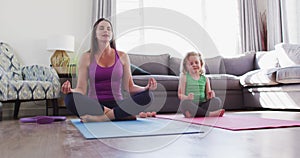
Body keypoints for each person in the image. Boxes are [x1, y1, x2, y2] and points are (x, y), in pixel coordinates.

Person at [61, 18, 157, 122]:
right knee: (69, 99)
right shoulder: (86, 57)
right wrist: (71, 90)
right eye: (101, 28)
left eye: (108, 29)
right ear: (95, 34)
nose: (105, 31)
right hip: (96, 105)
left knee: (149, 96)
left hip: (117, 103)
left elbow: (129, 86)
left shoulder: (122, 56)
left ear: (111, 35)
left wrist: (146, 88)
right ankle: (117, 114)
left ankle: (103, 118)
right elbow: (81, 89)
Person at [178, 52, 225, 118]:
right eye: (191, 63)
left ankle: (195, 113)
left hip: (202, 104)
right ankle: (209, 114)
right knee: (184, 103)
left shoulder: (205, 79)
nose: (194, 65)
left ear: (201, 64)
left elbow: (208, 96)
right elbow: (180, 95)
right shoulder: (184, 77)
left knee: (217, 101)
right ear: (186, 66)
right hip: (191, 103)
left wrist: (211, 95)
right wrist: (187, 97)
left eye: (196, 62)